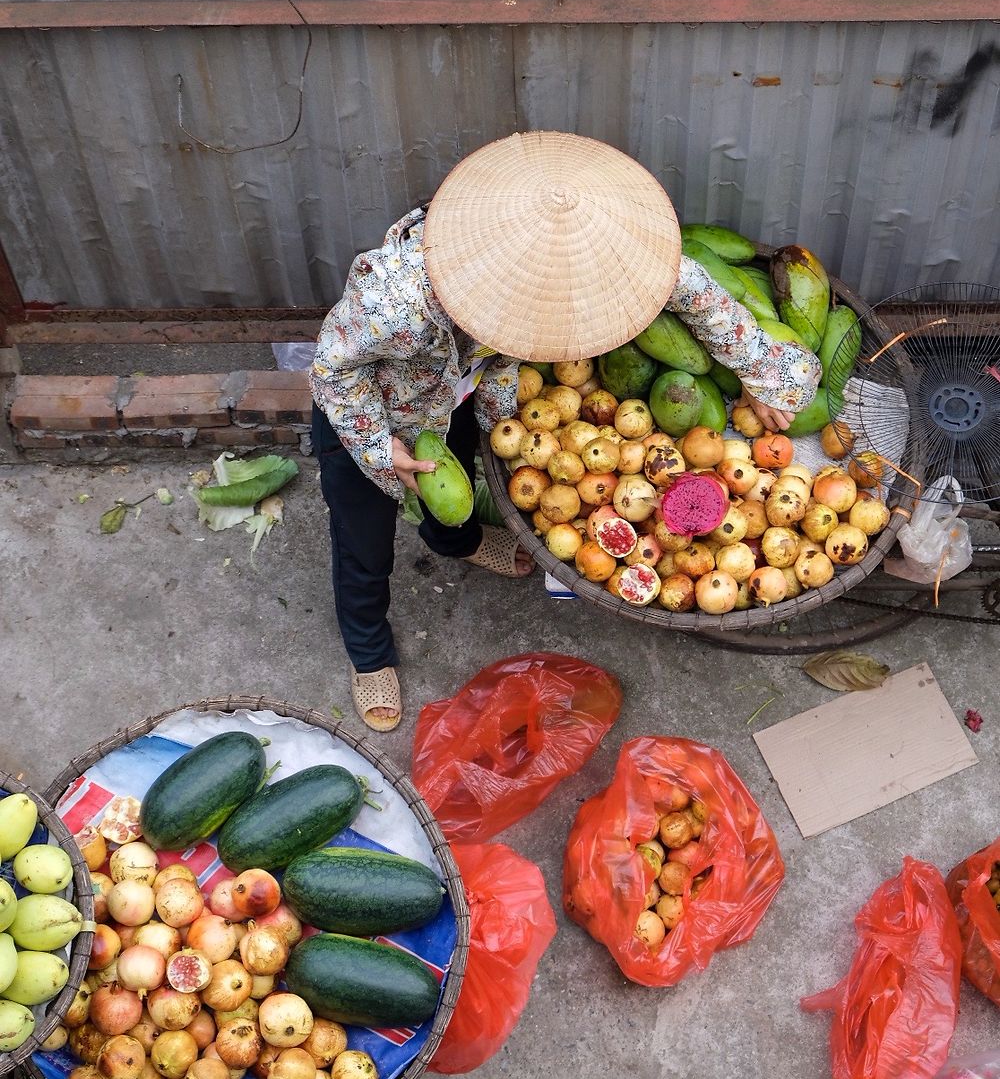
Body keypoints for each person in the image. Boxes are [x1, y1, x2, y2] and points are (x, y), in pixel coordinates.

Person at [310, 131, 819, 732]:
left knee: (463, 479)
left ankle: (460, 543)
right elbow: (331, 368)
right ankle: (368, 651)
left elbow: (697, 293)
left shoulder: (606, 249)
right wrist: (379, 448)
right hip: (376, 412)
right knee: (363, 540)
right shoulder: (396, 301)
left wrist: (765, 371)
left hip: (464, 392)